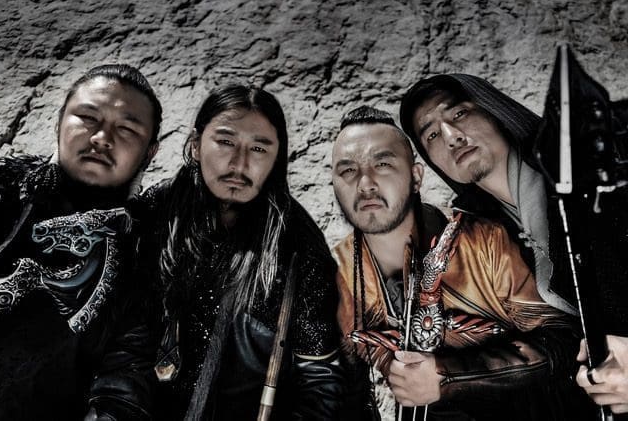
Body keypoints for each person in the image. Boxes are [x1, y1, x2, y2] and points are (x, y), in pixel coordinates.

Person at [331, 105, 594, 420]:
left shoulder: (485, 241)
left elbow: (563, 340)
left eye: (383, 164)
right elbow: (337, 386)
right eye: (348, 170)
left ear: (416, 177)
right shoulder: (339, 271)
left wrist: (449, 375)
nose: (365, 184)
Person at [400, 73, 628, 419]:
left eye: (459, 113)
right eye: (431, 134)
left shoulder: (592, 170)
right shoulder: (482, 236)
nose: (450, 136)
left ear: (494, 110)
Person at [135, 84, 343, 420]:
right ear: (196, 144)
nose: (239, 163)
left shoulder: (296, 243)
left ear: (277, 157)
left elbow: (321, 378)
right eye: (226, 142)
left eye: (258, 148)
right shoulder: (157, 213)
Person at [0, 64, 161, 420]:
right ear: (59, 122)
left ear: (150, 153)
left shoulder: (145, 254)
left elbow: (126, 378)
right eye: (87, 117)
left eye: (127, 129)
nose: (101, 138)